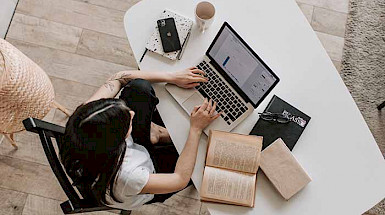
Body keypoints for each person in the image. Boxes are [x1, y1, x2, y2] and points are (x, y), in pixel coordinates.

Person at [59, 67, 221, 210]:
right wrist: (195, 129)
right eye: (127, 122)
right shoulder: (128, 176)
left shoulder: (85, 117)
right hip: (147, 178)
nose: (131, 114)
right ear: (117, 141)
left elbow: (119, 77)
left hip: (123, 156)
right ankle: (158, 136)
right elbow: (179, 179)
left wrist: (172, 77)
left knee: (138, 87)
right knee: (207, 155)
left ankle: (155, 135)